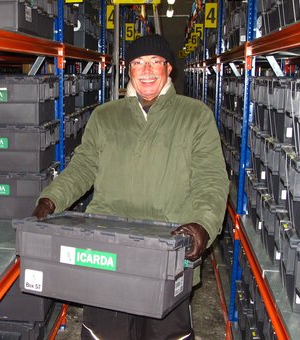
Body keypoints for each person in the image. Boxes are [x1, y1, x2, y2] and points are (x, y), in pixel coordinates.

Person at [32, 34, 229, 339]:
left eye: (155, 62)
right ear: (128, 69)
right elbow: (84, 167)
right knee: (106, 332)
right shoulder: (106, 116)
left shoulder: (195, 116)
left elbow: (211, 179)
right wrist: (51, 200)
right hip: (108, 248)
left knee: (165, 333)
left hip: (169, 249)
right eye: (138, 62)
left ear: (169, 69)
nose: (147, 70)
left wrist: (202, 224)